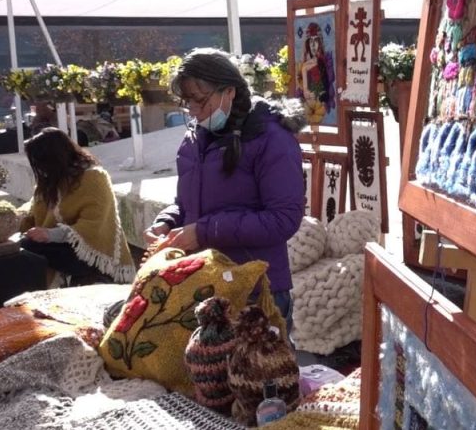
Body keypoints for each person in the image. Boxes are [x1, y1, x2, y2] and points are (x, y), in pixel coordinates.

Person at [145, 48, 305, 337]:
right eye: (187, 102)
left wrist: (204, 231)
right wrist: (166, 222)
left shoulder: (272, 139)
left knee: (259, 377)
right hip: (205, 283)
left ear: (229, 91)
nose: (193, 110)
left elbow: (284, 219)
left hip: (257, 289)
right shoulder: (194, 138)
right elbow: (186, 204)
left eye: (200, 100)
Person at [19, 128, 136, 286]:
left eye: (41, 162)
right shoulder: (49, 181)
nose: (40, 168)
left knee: (28, 249)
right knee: (19, 251)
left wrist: (48, 234)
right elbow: (32, 210)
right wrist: (5, 217)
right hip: (61, 247)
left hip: (93, 251)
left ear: (54, 158)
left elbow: (94, 225)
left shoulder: (94, 177)